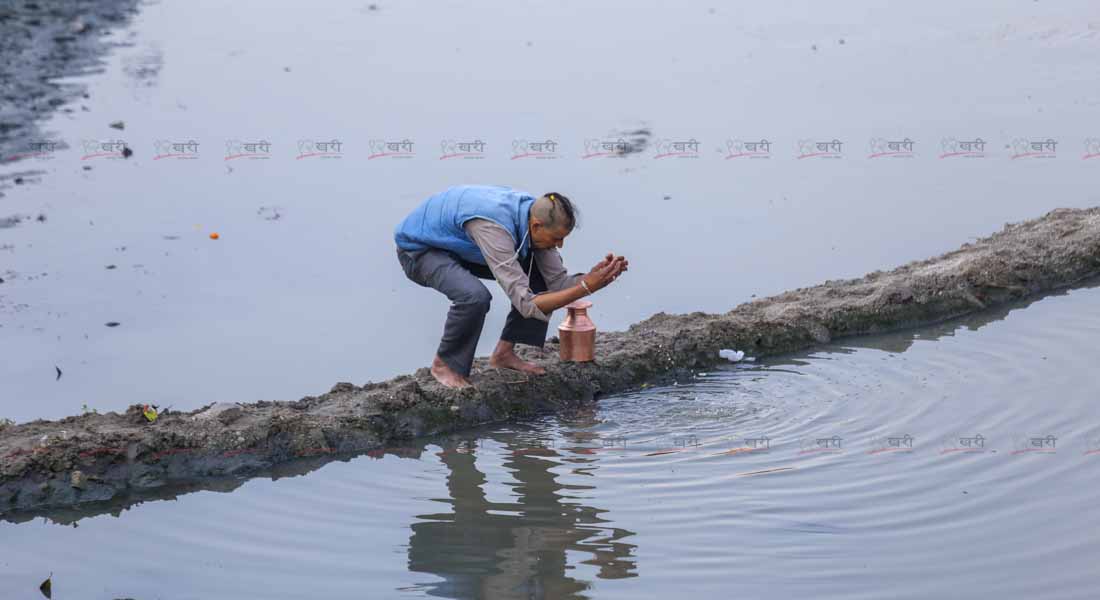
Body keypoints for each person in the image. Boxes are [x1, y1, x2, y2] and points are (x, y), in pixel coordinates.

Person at [395, 184, 628, 389]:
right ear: (536, 226)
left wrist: (597, 277)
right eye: (557, 238)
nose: (560, 245)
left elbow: (557, 285)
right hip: (421, 250)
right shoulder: (494, 229)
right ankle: (444, 365)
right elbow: (527, 304)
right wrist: (586, 287)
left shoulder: (533, 215)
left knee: (538, 274)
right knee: (474, 296)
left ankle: (504, 354)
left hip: (461, 245)